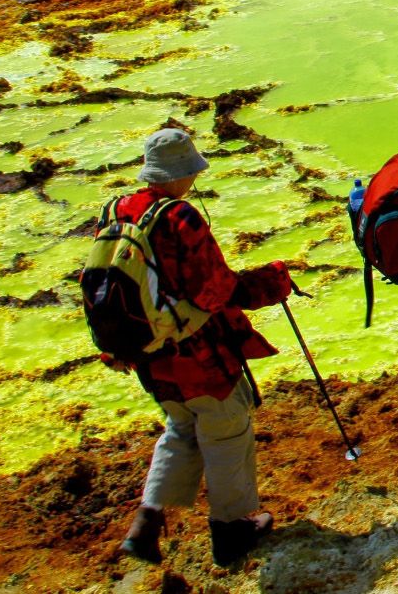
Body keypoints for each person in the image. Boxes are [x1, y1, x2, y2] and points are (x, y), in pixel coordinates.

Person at [111, 127, 292, 568]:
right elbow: (216, 290)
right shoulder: (180, 218)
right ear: (185, 172)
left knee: (180, 429)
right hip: (197, 353)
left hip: (150, 354)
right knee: (227, 430)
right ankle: (231, 530)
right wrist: (269, 282)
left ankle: (146, 523)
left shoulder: (118, 210)